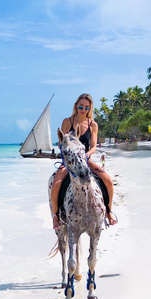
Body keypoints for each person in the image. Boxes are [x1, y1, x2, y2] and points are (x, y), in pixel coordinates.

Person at [50, 93, 117, 229]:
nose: (83, 110)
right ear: (76, 106)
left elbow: (93, 147)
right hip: (69, 162)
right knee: (56, 184)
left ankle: (108, 212)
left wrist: (86, 155)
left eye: (87, 107)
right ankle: (56, 216)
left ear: (90, 108)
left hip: (86, 160)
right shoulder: (67, 122)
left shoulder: (93, 124)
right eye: (81, 106)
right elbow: (61, 143)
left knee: (108, 180)